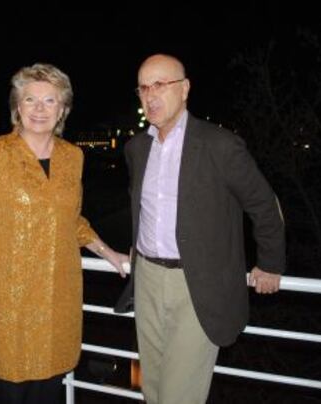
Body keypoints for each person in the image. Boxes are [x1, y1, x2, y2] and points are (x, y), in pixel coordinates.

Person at [115, 54, 286, 404]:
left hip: (198, 284)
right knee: (153, 389)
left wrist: (270, 262)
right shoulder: (137, 148)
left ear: (185, 89)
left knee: (180, 396)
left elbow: (263, 204)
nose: (150, 95)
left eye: (160, 85)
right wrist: (136, 245)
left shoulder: (219, 145)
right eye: (143, 87)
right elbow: (144, 208)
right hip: (146, 278)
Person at [0, 63, 129, 404]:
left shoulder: (72, 157)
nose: (39, 109)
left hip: (57, 298)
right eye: (30, 100)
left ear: (63, 109)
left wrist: (111, 254)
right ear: (17, 107)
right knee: (11, 389)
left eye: (50, 101)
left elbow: (71, 220)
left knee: (49, 390)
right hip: (8, 301)